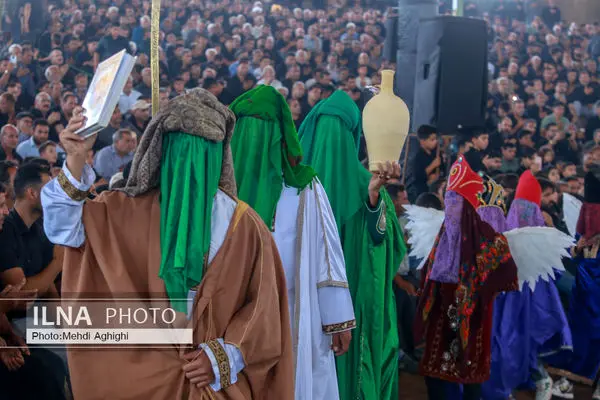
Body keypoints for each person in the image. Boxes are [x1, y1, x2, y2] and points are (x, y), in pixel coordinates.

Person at [41, 90, 294, 398]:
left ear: (219, 152)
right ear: (161, 148)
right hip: (142, 379)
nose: (191, 163)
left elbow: (264, 308)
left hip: (211, 383)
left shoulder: (244, 226)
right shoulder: (122, 211)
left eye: (203, 149)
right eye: (180, 147)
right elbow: (63, 226)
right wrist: (76, 158)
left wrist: (223, 356)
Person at [230, 85, 355, 400]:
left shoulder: (303, 187)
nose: (254, 138)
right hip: (232, 318)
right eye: (247, 127)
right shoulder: (219, 190)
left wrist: (337, 317)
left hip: (295, 315)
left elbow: (327, 252)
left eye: (263, 128)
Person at [299, 90, 406, 400]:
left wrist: (373, 198)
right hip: (346, 302)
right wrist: (373, 201)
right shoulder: (364, 184)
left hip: (313, 299)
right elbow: (387, 249)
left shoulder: (292, 183)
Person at [412, 157, 519, 400]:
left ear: (468, 206)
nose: (450, 206)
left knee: (470, 371)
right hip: (441, 311)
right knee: (436, 369)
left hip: (474, 315)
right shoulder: (443, 235)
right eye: (448, 199)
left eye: (455, 200)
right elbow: (428, 271)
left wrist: (480, 286)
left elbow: (505, 272)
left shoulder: (487, 237)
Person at [488, 171, 572, 400]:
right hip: (509, 301)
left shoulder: (543, 241)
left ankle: (542, 380)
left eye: (528, 210)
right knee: (506, 342)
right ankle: (512, 387)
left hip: (530, 305)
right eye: (519, 210)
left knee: (523, 340)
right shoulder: (502, 234)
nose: (523, 216)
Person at [552, 167, 600, 400]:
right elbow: (572, 252)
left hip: (593, 290)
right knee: (580, 334)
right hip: (583, 292)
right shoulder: (585, 226)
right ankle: (567, 381)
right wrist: (578, 248)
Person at [406, 125, 440, 203]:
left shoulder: (436, 154)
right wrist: (433, 166)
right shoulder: (418, 157)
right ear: (422, 141)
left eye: (436, 139)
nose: (436, 141)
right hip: (421, 193)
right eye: (432, 139)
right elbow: (418, 176)